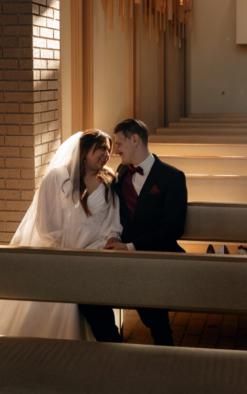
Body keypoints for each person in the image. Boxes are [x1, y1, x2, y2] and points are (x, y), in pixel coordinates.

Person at [0, 129, 122, 340]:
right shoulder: (57, 178)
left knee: (99, 314)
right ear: (84, 150)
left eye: (109, 150)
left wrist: (108, 241)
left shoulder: (109, 181)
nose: (107, 154)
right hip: (61, 259)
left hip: (94, 261)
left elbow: (113, 220)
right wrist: (66, 258)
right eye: (102, 148)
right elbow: (46, 224)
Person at [80, 119, 187, 346]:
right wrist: (115, 238)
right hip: (122, 256)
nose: (115, 151)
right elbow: (112, 214)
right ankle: (113, 346)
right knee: (88, 293)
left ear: (135, 140)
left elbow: (173, 228)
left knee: (151, 307)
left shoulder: (173, 177)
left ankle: (165, 351)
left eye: (118, 144)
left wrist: (130, 247)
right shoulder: (119, 175)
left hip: (155, 256)